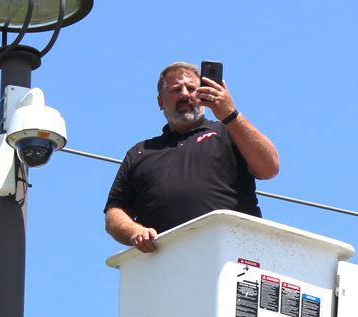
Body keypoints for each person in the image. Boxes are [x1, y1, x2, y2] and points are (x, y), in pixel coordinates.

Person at [104, 62, 280, 253]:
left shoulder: (229, 132)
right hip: (163, 263)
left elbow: (269, 168)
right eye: (176, 89)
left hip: (232, 255)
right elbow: (115, 212)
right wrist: (134, 231)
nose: (185, 94)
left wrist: (230, 115)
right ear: (161, 102)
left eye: (192, 88)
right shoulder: (139, 153)